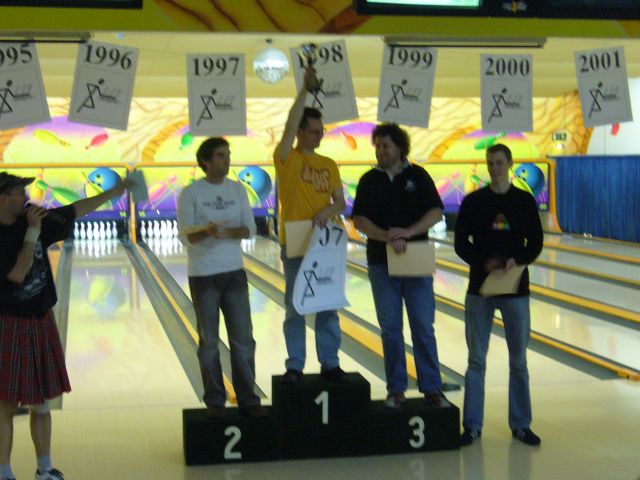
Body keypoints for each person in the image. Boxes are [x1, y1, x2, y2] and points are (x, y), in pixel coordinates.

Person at [0, 171, 128, 480]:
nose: (26, 198)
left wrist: (113, 193)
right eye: (19, 193)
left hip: (41, 320)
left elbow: (74, 210)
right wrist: (33, 232)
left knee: (42, 403)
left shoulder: (33, 219)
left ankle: (45, 469)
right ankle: (4, 473)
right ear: (2, 199)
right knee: (5, 406)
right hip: (9, 324)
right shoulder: (15, 231)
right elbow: (18, 273)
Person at [352, 123, 450, 409]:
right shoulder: (369, 180)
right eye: (378, 146)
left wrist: (407, 232)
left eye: (386, 146)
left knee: (423, 327)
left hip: (416, 259)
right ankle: (396, 389)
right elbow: (359, 220)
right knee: (390, 329)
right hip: (381, 263)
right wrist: (387, 237)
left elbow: (436, 212)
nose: (380, 151)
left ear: (400, 148)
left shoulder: (418, 175)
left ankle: (432, 388)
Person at [454, 143, 543, 446]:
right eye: (490, 163)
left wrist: (517, 260)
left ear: (510, 164)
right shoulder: (474, 201)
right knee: (476, 361)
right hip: (480, 288)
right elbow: (460, 243)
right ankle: (472, 426)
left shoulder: (524, 201)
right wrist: (484, 262)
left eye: (499, 163)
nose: (494, 168)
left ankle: (521, 425)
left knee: (518, 361)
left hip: (516, 289)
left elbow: (536, 242)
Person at [177, 137, 267, 418]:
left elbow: (249, 229)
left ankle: (248, 398)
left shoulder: (237, 190)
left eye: (228, 154)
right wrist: (207, 231)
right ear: (205, 161)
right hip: (203, 276)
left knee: (243, 340)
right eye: (220, 155)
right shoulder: (191, 193)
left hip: (234, 273)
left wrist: (224, 232)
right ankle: (215, 400)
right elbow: (186, 236)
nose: (227, 160)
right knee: (209, 343)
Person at [274, 67, 346, 384]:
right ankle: (295, 365)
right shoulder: (286, 159)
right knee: (296, 306)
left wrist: (328, 210)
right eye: (314, 131)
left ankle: (330, 362)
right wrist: (305, 89)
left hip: (326, 242)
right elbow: (289, 123)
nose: (320, 135)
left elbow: (341, 202)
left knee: (328, 304)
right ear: (300, 133)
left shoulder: (329, 164)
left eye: (321, 131)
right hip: (296, 242)